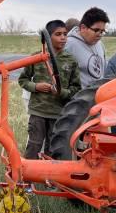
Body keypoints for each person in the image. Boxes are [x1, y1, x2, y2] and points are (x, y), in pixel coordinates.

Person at [18, 20, 81, 159]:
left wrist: (61, 92)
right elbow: (23, 80)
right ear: (48, 37)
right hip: (38, 111)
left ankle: (48, 178)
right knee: (34, 145)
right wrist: (36, 86)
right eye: (58, 34)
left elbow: (76, 89)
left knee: (52, 148)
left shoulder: (70, 60)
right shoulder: (37, 57)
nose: (63, 38)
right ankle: (28, 177)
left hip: (58, 113)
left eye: (65, 34)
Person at [65, 7, 109, 88]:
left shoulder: (100, 44)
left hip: (99, 96)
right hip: (79, 99)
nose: (100, 34)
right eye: (96, 30)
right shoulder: (68, 45)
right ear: (83, 28)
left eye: (102, 31)